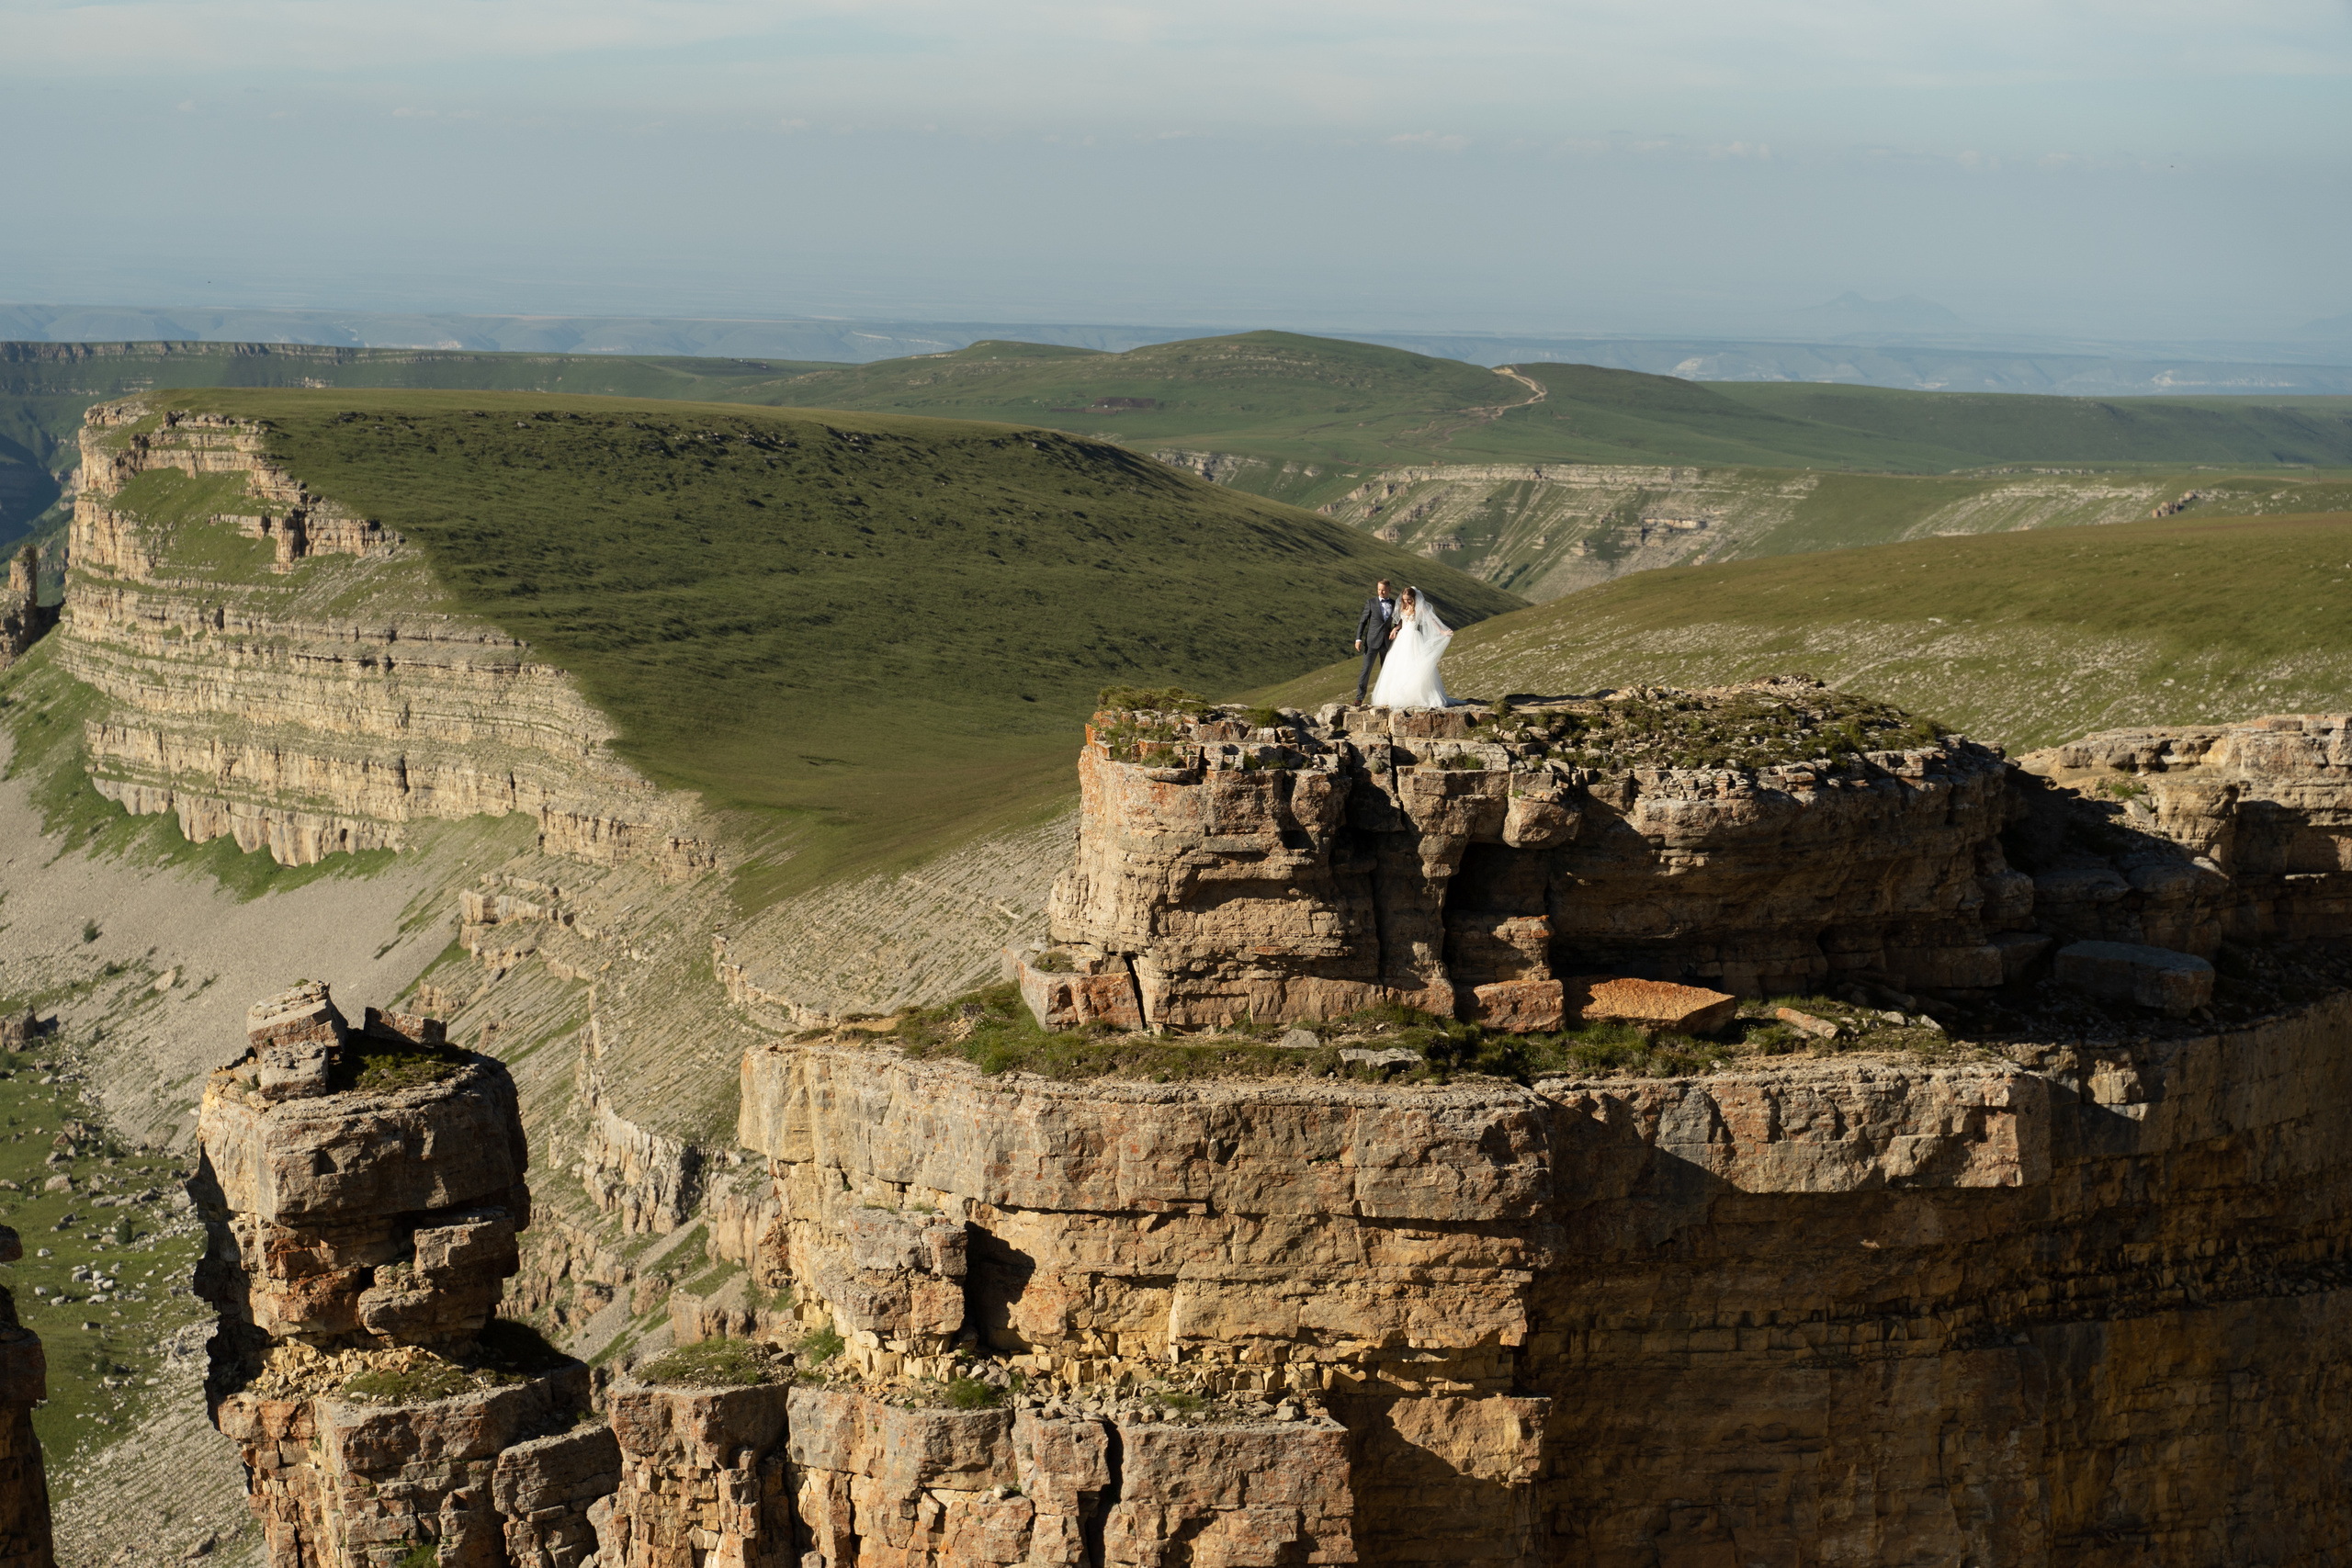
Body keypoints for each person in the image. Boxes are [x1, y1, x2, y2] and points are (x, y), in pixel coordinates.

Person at [1366, 587, 1454, 710]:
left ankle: (1416, 695)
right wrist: (1396, 629)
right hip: (1402, 638)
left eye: (1409, 600)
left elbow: (1431, 619)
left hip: (1413, 638)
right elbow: (1402, 622)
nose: (1406, 602)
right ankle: (1397, 695)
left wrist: (1442, 631)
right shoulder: (1403, 607)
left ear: (1414, 598)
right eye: (1404, 599)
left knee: (1414, 665)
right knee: (1398, 666)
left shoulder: (1420, 608)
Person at [1353, 579, 1398, 704]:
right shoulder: (1371, 602)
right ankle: (1359, 698)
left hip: (1387, 642)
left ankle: (1386, 697)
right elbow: (1363, 621)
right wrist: (1358, 639)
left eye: (1383, 590)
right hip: (1372, 641)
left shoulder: (1395, 604)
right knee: (1366, 669)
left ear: (1389, 590)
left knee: (1387, 670)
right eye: (1379, 589)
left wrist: (1396, 631)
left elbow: (1399, 621)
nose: (1381, 592)